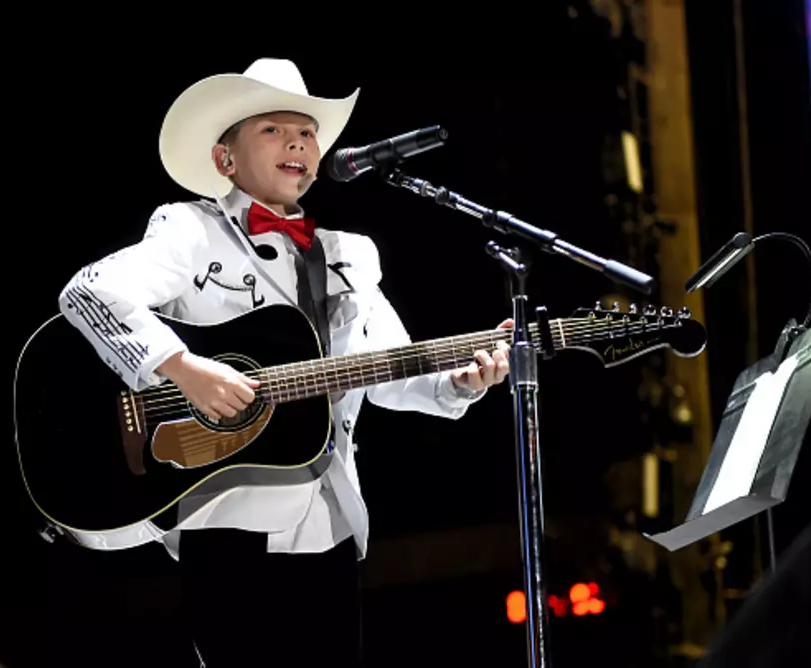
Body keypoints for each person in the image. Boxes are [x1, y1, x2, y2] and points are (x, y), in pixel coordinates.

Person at [58, 58, 513, 667]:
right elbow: (89, 291)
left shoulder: (351, 255)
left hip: (331, 522)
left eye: (306, 131)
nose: (297, 140)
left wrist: (458, 383)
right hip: (225, 516)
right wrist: (183, 368)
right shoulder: (190, 229)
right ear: (226, 159)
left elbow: (387, 369)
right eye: (272, 129)